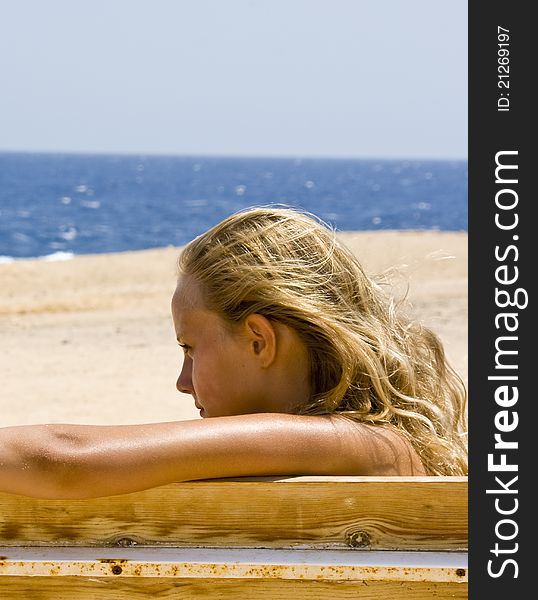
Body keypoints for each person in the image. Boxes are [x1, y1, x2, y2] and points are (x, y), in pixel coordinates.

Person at [0, 206, 467, 499]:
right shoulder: (376, 445)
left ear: (260, 341)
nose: (183, 382)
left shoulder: (354, 445)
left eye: (190, 349)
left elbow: (62, 459)